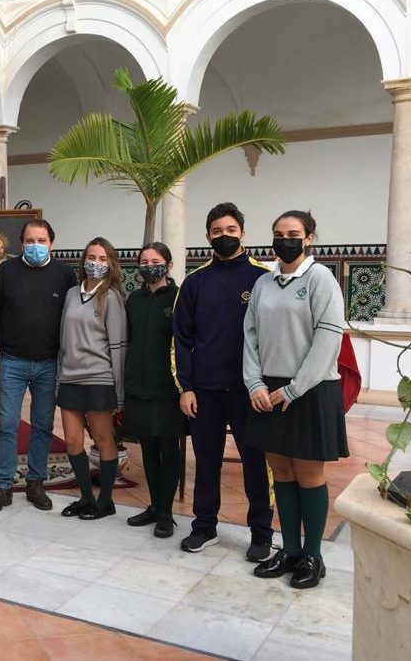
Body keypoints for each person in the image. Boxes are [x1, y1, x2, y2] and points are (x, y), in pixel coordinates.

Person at [244, 211, 347, 589]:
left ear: (309, 238)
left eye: (292, 233)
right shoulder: (263, 283)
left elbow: (328, 339)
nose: (284, 240)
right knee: (282, 472)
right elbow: (250, 335)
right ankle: (289, 551)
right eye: (278, 233)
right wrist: (254, 382)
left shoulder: (321, 279)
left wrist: (295, 388)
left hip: (310, 388)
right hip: (267, 390)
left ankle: (313, 556)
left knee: (308, 474)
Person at [172, 202, 274, 559]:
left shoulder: (263, 278)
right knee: (206, 462)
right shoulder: (195, 282)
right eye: (217, 231)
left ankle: (261, 533)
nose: (224, 236)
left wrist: (267, 385)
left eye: (231, 230)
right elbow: (181, 339)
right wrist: (186, 387)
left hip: (252, 391)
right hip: (206, 391)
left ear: (242, 233)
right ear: (207, 236)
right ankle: (204, 527)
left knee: (256, 462)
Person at [0, 219, 78, 513]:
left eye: (41, 241)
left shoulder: (65, 275)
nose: (35, 246)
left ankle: (36, 483)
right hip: (12, 361)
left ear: (52, 243)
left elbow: (73, 318)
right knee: (7, 424)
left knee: (42, 425)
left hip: (49, 363)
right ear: (21, 243)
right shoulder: (5, 271)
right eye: (30, 241)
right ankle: (3, 486)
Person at [57, 237, 127, 520]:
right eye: (91, 257)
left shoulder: (111, 297)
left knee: (102, 439)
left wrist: (119, 392)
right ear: (83, 260)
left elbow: (118, 346)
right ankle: (86, 497)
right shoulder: (71, 294)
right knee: (72, 441)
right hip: (70, 378)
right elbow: (63, 338)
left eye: (101, 259)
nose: (95, 263)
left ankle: (105, 501)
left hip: (99, 378)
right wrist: (59, 376)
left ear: (110, 264)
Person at [123, 242, 185, 538]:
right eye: (144, 262)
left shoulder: (179, 298)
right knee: (147, 448)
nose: (150, 267)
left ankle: (166, 513)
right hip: (138, 386)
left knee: (168, 449)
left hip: (168, 389)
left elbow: (186, 342)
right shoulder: (134, 299)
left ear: (169, 265)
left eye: (156, 261)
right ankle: (155, 504)